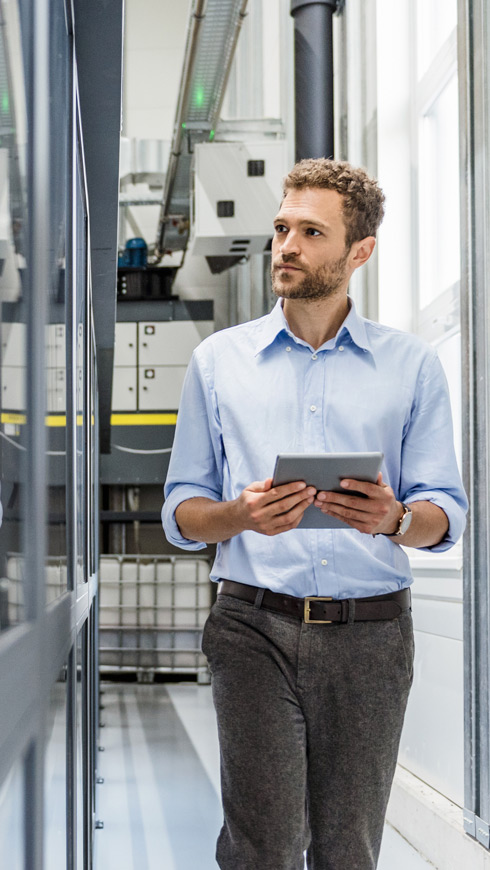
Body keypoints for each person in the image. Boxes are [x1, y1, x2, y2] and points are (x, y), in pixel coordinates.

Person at [162, 158, 468, 870]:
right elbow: (182, 511)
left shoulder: (413, 366)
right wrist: (238, 515)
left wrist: (393, 518)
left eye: (310, 232)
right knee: (262, 846)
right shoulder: (218, 362)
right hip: (252, 626)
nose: (286, 246)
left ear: (359, 251)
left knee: (347, 850)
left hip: (373, 635)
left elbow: (446, 515)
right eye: (281, 229)